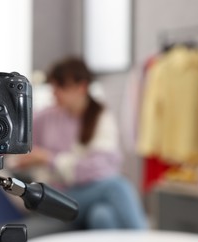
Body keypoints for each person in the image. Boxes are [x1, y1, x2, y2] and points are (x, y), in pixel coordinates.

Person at [11, 57, 147, 229]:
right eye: (53, 87)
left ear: (81, 87)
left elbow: (102, 169)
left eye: (61, 87)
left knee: (102, 215)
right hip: (57, 194)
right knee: (118, 186)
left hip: (88, 192)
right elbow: (19, 144)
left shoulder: (100, 116)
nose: (55, 93)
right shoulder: (46, 117)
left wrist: (49, 159)